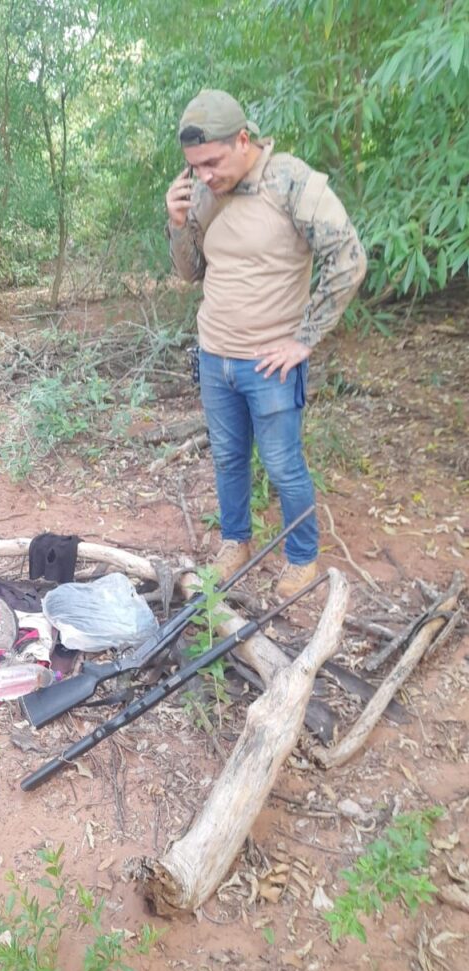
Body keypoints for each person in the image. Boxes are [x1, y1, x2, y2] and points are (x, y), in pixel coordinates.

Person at [165, 89, 367, 596]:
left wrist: (304, 340)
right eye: (195, 165)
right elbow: (189, 272)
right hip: (215, 355)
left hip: (270, 362)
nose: (204, 175)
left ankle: (302, 559)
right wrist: (177, 223)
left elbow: (349, 259)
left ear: (243, 140)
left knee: (281, 464)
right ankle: (235, 542)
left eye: (212, 162)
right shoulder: (203, 191)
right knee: (228, 458)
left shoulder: (291, 181)